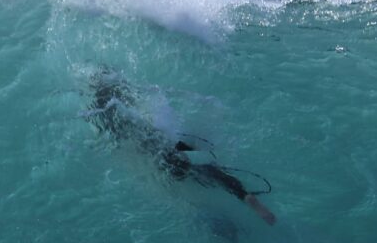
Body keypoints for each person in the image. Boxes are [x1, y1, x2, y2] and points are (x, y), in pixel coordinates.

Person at [86, 71, 276, 226]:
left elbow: (109, 136)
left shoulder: (102, 109)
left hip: (154, 157)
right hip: (167, 148)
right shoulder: (123, 96)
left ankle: (211, 217)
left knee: (177, 188)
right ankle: (240, 197)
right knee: (198, 167)